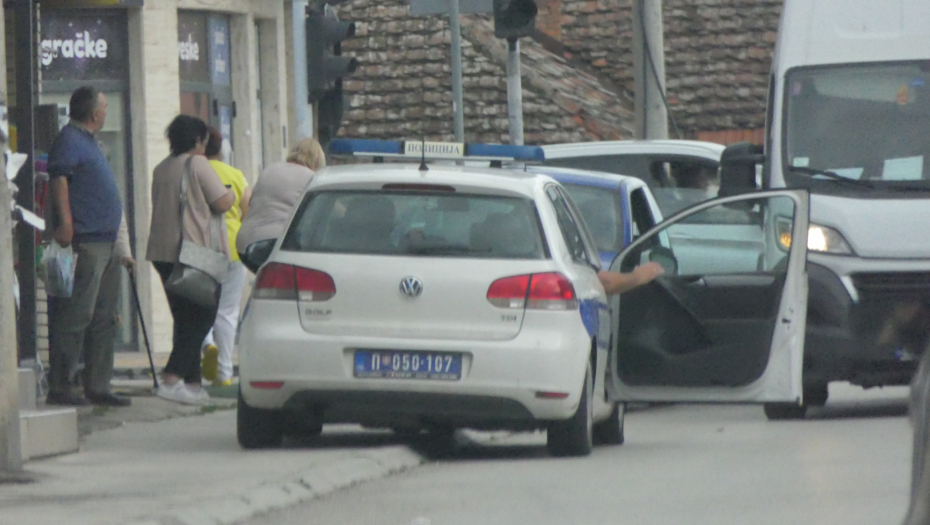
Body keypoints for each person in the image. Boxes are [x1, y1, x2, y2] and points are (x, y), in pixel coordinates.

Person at [45, 85, 133, 407]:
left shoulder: (90, 143)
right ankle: (62, 386)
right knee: (77, 314)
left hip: (106, 242)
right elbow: (59, 179)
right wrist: (66, 223)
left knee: (104, 316)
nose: (107, 111)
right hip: (87, 240)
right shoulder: (69, 140)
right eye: (105, 107)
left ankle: (98, 384)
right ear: (94, 113)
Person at [146, 115, 234, 404]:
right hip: (191, 252)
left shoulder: (161, 168)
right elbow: (221, 202)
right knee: (202, 315)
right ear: (197, 141)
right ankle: (171, 378)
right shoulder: (197, 163)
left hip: (161, 252)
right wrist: (231, 195)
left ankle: (193, 384)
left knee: (184, 317)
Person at [199, 127, 251, 387]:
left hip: (204, 247)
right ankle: (224, 373)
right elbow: (248, 213)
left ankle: (207, 343)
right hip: (233, 247)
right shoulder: (237, 176)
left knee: (200, 306)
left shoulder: (194, 174)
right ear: (221, 150)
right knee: (227, 312)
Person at [236, 137, 326, 260]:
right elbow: (319, 214)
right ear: (317, 158)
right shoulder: (311, 178)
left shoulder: (270, 169)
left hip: (244, 242)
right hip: (274, 242)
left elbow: (251, 202)